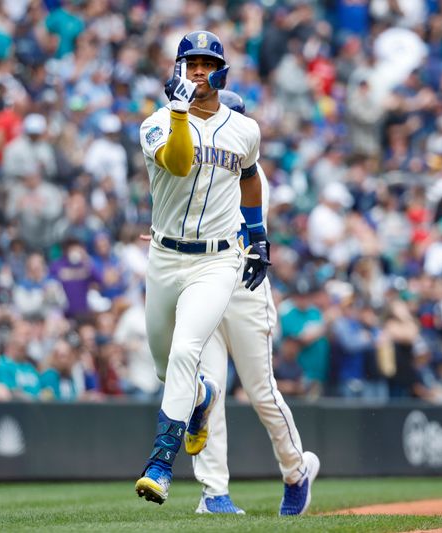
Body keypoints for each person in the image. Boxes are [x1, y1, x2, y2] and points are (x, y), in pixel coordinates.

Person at [134, 31, 271, 506]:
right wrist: (177, 112)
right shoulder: (155, 123)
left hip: (217, 259)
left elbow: (250, 178)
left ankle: (160, 464)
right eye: (190, 63)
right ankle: (201, 396)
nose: (198, 71)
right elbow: (177, 162)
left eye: (207, 64)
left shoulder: (244, 129)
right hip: (165, 257)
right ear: (177, 69)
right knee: (160, 362)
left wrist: (257, 235)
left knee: (185, 349)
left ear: (221, 72)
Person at [191, 90, 319, 516]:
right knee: (208, 392)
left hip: (245, 288)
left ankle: (296, 470)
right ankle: (213, 493)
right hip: (205, 286)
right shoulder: (199, 171)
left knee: (261, 392)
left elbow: (231, 224)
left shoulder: (252, 176)